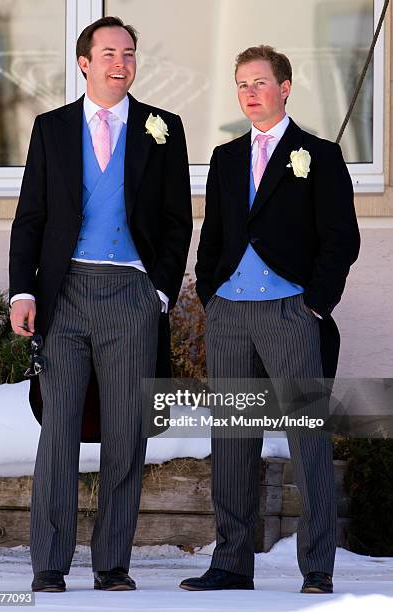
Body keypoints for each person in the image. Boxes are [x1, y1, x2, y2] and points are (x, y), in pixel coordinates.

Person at [9, 16, 192, 593]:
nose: (122, 61)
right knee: (58, 433)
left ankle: (113, 564)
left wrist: (157, 292)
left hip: (130, 294)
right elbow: (31, 217)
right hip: (64, 296)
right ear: (84, 62)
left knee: (124, 436)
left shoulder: (164, 128)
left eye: (130, 53)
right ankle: (50, 563)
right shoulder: (51, 128)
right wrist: (23, 290)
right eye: (109, 51)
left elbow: (175, 220)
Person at [180, 45, 359, 594]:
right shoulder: (227, 158)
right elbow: (213, 236)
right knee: (233, 439)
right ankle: (232, 563)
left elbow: (340, 240)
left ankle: (317, 567)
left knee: (307, 438)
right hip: (231, 315)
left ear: (285, 87)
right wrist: (210, 293)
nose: (250, 92)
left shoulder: (320, 156)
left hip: (290, 314)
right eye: (241, 84)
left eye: (260, 82)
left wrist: (314, 303)